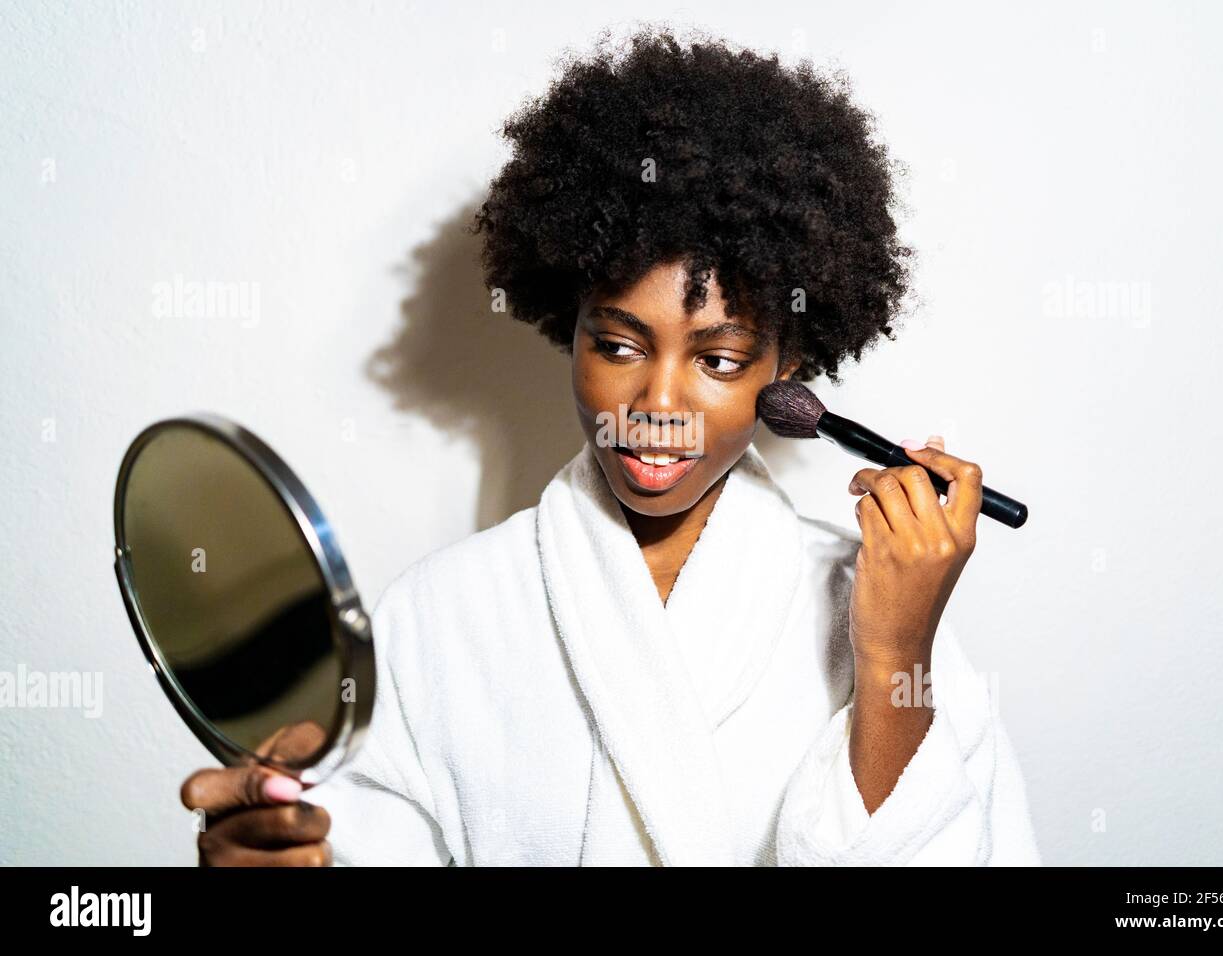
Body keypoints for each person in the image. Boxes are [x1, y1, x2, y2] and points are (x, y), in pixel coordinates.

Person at [179, 25, 1042, 866]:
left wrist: (893, 651)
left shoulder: (885, 615)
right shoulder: (437, 619)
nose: (657, 405)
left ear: (788, 369)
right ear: (570, 328)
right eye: (619, 346)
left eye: (719, 359)